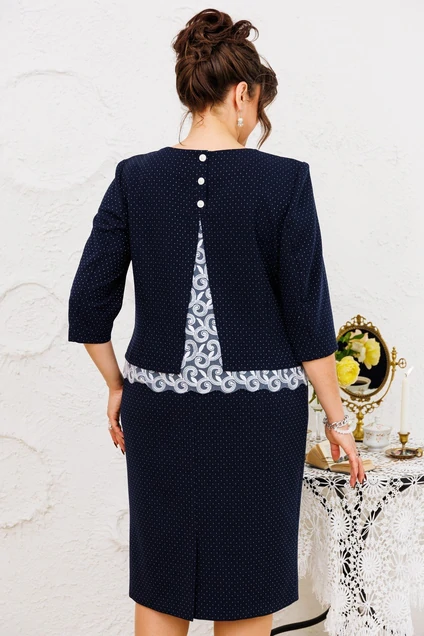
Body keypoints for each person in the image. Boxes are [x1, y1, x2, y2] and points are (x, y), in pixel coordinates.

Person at [67, 8, 365, 636]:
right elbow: (308, 317)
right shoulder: (285, 180)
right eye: (258, 107)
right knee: (248, 589)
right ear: (242, 93)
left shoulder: (135, 177)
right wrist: (339, 421)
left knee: (162, 581)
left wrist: (117, 386)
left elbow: (88, 304)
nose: (256, 121)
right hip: (261, 420)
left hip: (158, 409)